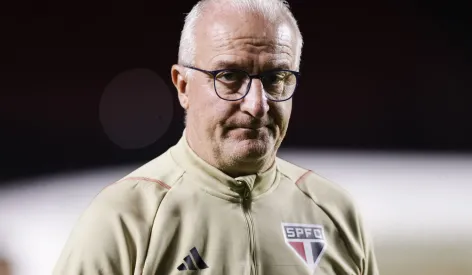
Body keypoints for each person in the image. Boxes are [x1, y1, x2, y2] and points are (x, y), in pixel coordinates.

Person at [54, 0, 379, 274]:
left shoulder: (335, 213)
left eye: (276, 77)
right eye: (229, 77)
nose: (257, 104)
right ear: (183, 86)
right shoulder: (124, 219)